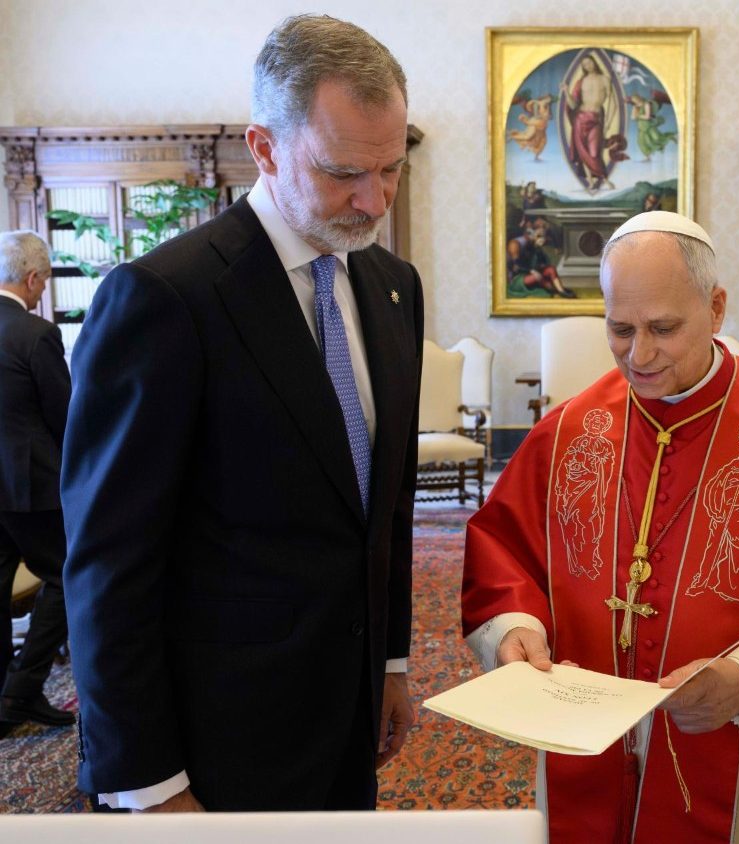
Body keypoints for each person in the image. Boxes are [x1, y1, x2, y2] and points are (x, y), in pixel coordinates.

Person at [61, 15, 422, 812]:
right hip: (216, 745)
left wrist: (391, 663)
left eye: (391, 167)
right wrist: (148, 784)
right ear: (264, 148)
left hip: (349, 715)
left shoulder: (393, 286)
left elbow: (386, 508)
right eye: (343, 172)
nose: (374, 200)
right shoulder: (166, 299)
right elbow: (110, 567)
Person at [462, 211, 739, 843]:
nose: (638, 355)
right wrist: (516, 628)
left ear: (716, 308)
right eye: (620, 329)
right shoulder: (567, 433)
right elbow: (505, 551)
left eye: (663, 329)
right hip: (587, 747)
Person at [0, 231, 74, 735]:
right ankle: (20, 692)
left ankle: (4, 693)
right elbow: (65, 416)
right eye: (44, 281)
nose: (43, 290)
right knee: (70, 578)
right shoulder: (35, 334)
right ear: (31, 279)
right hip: (32, 488)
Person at [561, 54, 617, 193]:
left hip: (596, 118)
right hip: (580, 118)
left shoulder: (604, 79)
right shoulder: (581, 81)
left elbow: (613, 103)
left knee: (594, 152)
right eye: (585, 65)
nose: (588, 66)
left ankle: (604, 179)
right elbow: (573, 105)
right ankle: (591, 182)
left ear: (594, 62)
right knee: (583, 152)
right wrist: (566, 92)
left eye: (589, 62)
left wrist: (608, 123)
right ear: (583, 67)